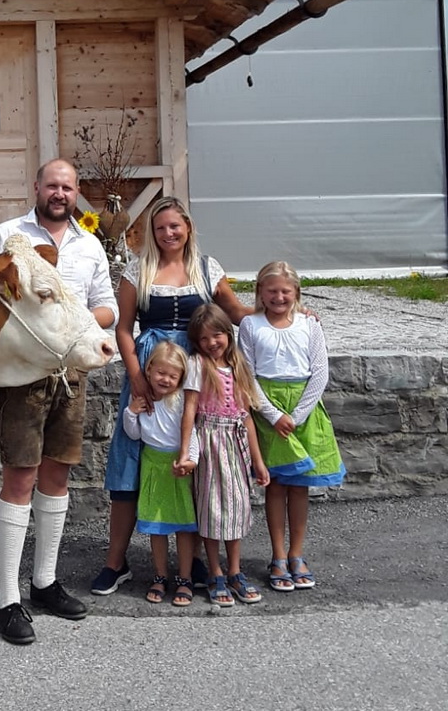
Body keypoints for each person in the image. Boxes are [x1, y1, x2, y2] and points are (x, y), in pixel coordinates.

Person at [0, 159, 118, 645]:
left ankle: (44, 583)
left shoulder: (89, 244)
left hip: (71, 371)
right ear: (36, 187)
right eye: (52, 185)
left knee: (57, 473)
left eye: (67, 187)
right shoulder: (5, 236)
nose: (59, 193)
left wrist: (71, 313)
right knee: (20, 475)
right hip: (23, 372)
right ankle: (6, 598)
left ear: (77, 193)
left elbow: (109, 308)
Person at [91, 196, 252, 596]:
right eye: (161, 227)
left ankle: (192, 560)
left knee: (198, 459)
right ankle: (116, 561)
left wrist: (287, 317)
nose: (168, 233)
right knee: (132, 459)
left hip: (198, 369)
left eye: (175, 226)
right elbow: (124, 328)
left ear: (188, 228)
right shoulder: (137, 269)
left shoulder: (206, 267)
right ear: (153, 231)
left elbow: (234, 311)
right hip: (151, 367)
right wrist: (136, 375)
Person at [237, 261, 345, 591]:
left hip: (303, 410)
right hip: (269, 410)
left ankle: (297, 553)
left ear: (296, 292)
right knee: (276, 485)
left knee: (299, 487)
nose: (279, 297)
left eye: (286, 291)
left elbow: (320, 372)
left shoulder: (309, 325)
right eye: (271, 291)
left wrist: (296, 416)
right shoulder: (250, 325)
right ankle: (278, 555)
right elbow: (247, 375)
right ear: (260, 292)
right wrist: (272, 414)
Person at [179, 303, 270, 606]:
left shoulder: (238, 366)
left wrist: (257, 461)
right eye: (204, 339)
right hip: (209, 442)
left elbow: (246, 417)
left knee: (237, 507)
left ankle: (235, 570)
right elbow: (190, 407)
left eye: (216, 335)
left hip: (235, 443)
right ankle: (215, 571)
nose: (211, 343)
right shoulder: (197, 364)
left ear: (227, 334)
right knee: (212, 509)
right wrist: (185, 449)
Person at [122, 341, 199, 607]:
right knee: (158, 526)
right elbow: (134, 434)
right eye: (160, 373)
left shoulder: (180, 402)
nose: (165, 380)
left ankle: (185, 577)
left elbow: (193, 434)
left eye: (172, 375)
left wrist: (191, 460)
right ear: (149, 369)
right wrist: (131, 413)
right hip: (153, 466)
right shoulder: (142, 401)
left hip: (178, 466)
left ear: (181, 378)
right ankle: (160, 574)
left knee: (184, 525)